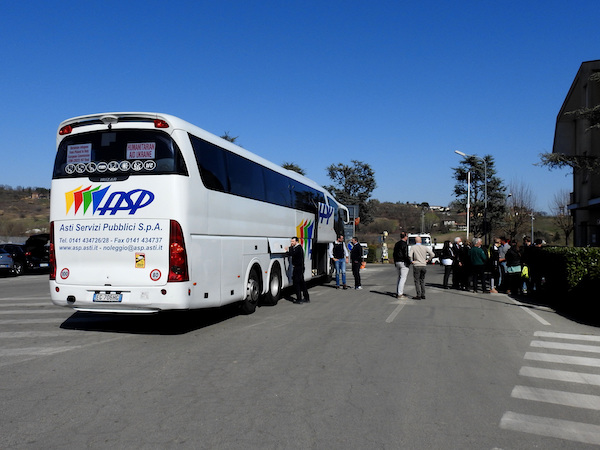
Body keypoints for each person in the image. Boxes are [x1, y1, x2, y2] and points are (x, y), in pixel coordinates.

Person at [285, 237, 310, 304]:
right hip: (300, 267)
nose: (291, 243)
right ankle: (306, 297)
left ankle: (299, 299)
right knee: (302, 283)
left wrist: (288, 249)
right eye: (291, 241)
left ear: (296, 241)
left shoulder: (298, 248)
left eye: (293, 241)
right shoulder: (297, 248)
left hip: (298, 268)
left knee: (297, 283)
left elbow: (292, 254)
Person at [392, 231, 411, 298]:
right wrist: (409, 262)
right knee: (403, 278)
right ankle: (400, 293)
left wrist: (395, 261)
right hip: (403, 262)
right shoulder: (405, 244)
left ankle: (398, 291)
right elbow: (405, 254)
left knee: (399, 277)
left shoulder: (397, 244)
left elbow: (394, 253)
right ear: (405, 237)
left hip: (397, 261)